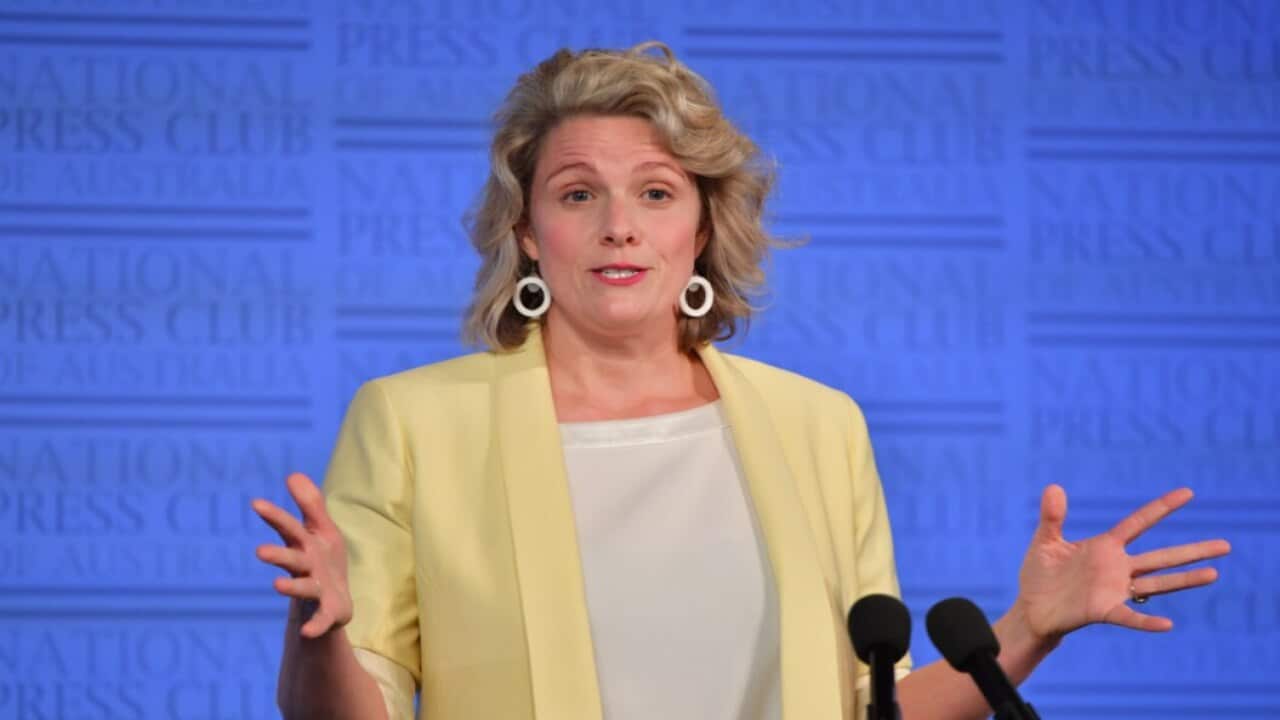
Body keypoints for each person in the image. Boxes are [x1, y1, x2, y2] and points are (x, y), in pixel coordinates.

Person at [250, 42, 1230, 720]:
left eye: (655, 193)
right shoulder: (414, 424)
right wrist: (319, 632)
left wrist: (1028, 631)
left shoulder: (817, 427)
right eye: (577, 194)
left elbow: (873, 708)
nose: (619, 227)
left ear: (702, 226)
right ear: (527, 233)